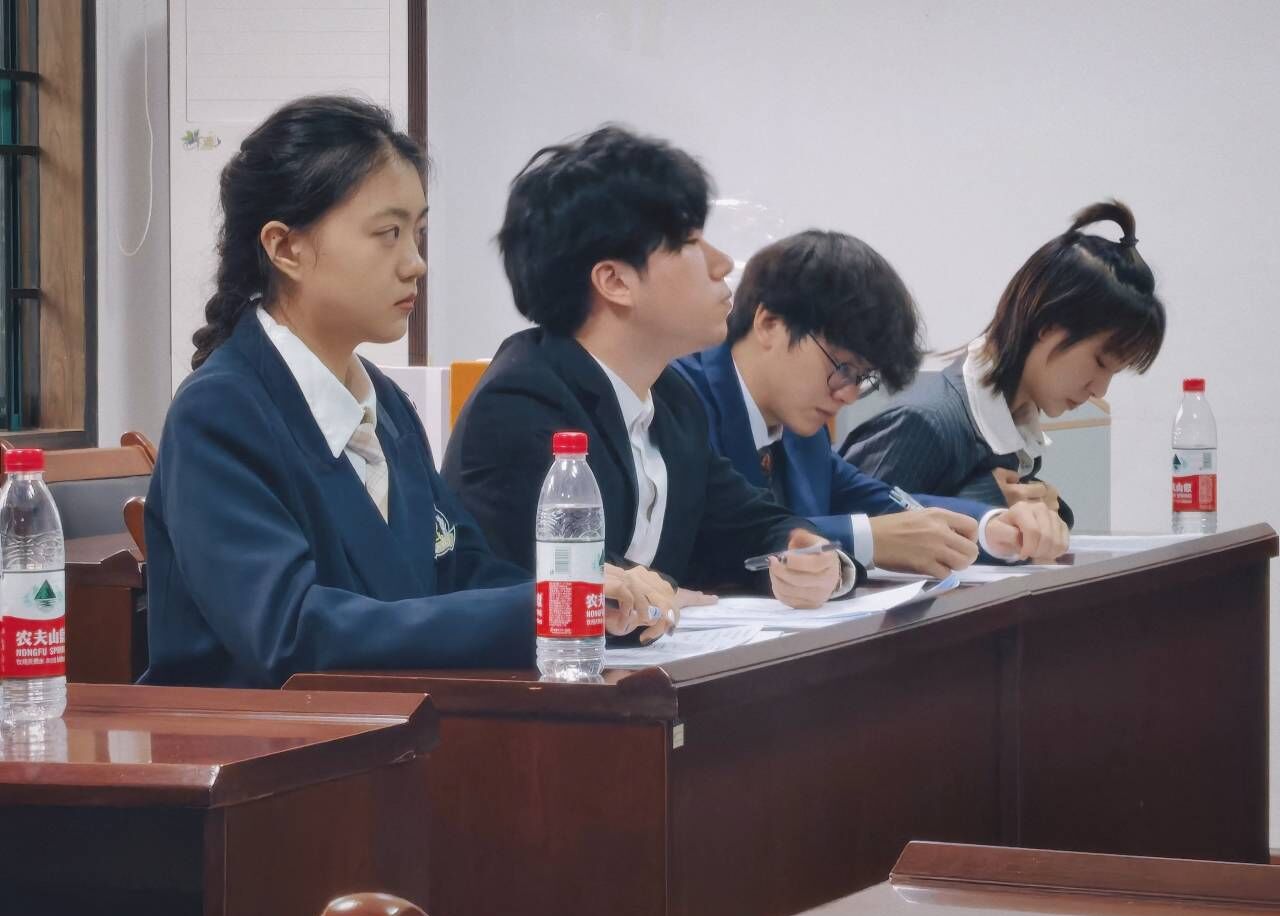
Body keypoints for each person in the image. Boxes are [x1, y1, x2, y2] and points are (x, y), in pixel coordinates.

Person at [143, 97, 673, 689]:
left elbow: (461, 571)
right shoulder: (220, 413)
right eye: (387, 234)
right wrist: (534, 610)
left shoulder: (386, 403)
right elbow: (289, 631)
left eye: (418, 233)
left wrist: (586, 597)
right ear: (285, 247)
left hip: (390, 726)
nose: (415, 263)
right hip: (260, 739)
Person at [443, 126, 851, 608]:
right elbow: (557, 572)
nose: (722, 264)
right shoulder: (520, 402)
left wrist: (801, 550)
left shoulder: (672, 399)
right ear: (615, 281)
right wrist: (667, 595)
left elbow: (746, 524)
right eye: (691, 243)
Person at [675, 230, 1069, 576]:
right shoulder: (679, 399)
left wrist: (992, 526)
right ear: (770, 324)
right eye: (842, 367)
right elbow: (707, 540)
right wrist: (867, 539)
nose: (847, 395)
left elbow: (880, 500)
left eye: (861, 377)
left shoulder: (800, 430)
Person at [840, 202, 1165, 522]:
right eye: (1100, 362)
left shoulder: (1012, 427)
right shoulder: (927, 422)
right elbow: (846, 535)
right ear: (1048, 326)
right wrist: (987, 503)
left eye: (1114, 373)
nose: (1100, 389)